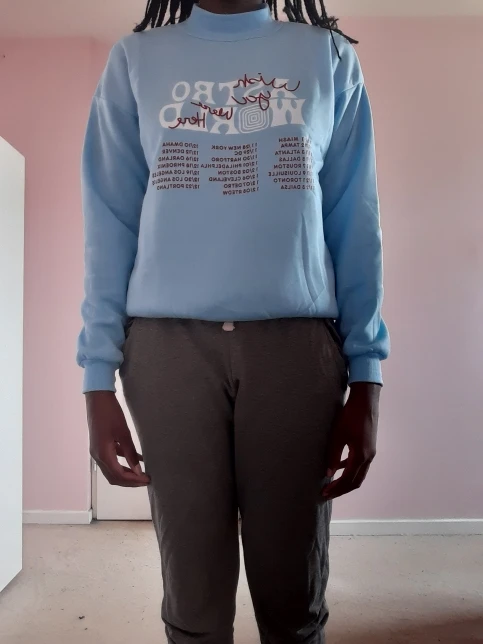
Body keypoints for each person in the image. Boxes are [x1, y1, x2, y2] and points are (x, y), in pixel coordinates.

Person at [78, 0, 389, 642]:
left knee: (292, 593)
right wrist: (96, 379)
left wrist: (368, 375)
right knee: (192, 593)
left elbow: (354, 221)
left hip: (297, 351)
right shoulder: (136, 60)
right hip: (167, 351)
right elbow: (110, 223)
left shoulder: (327, 57)